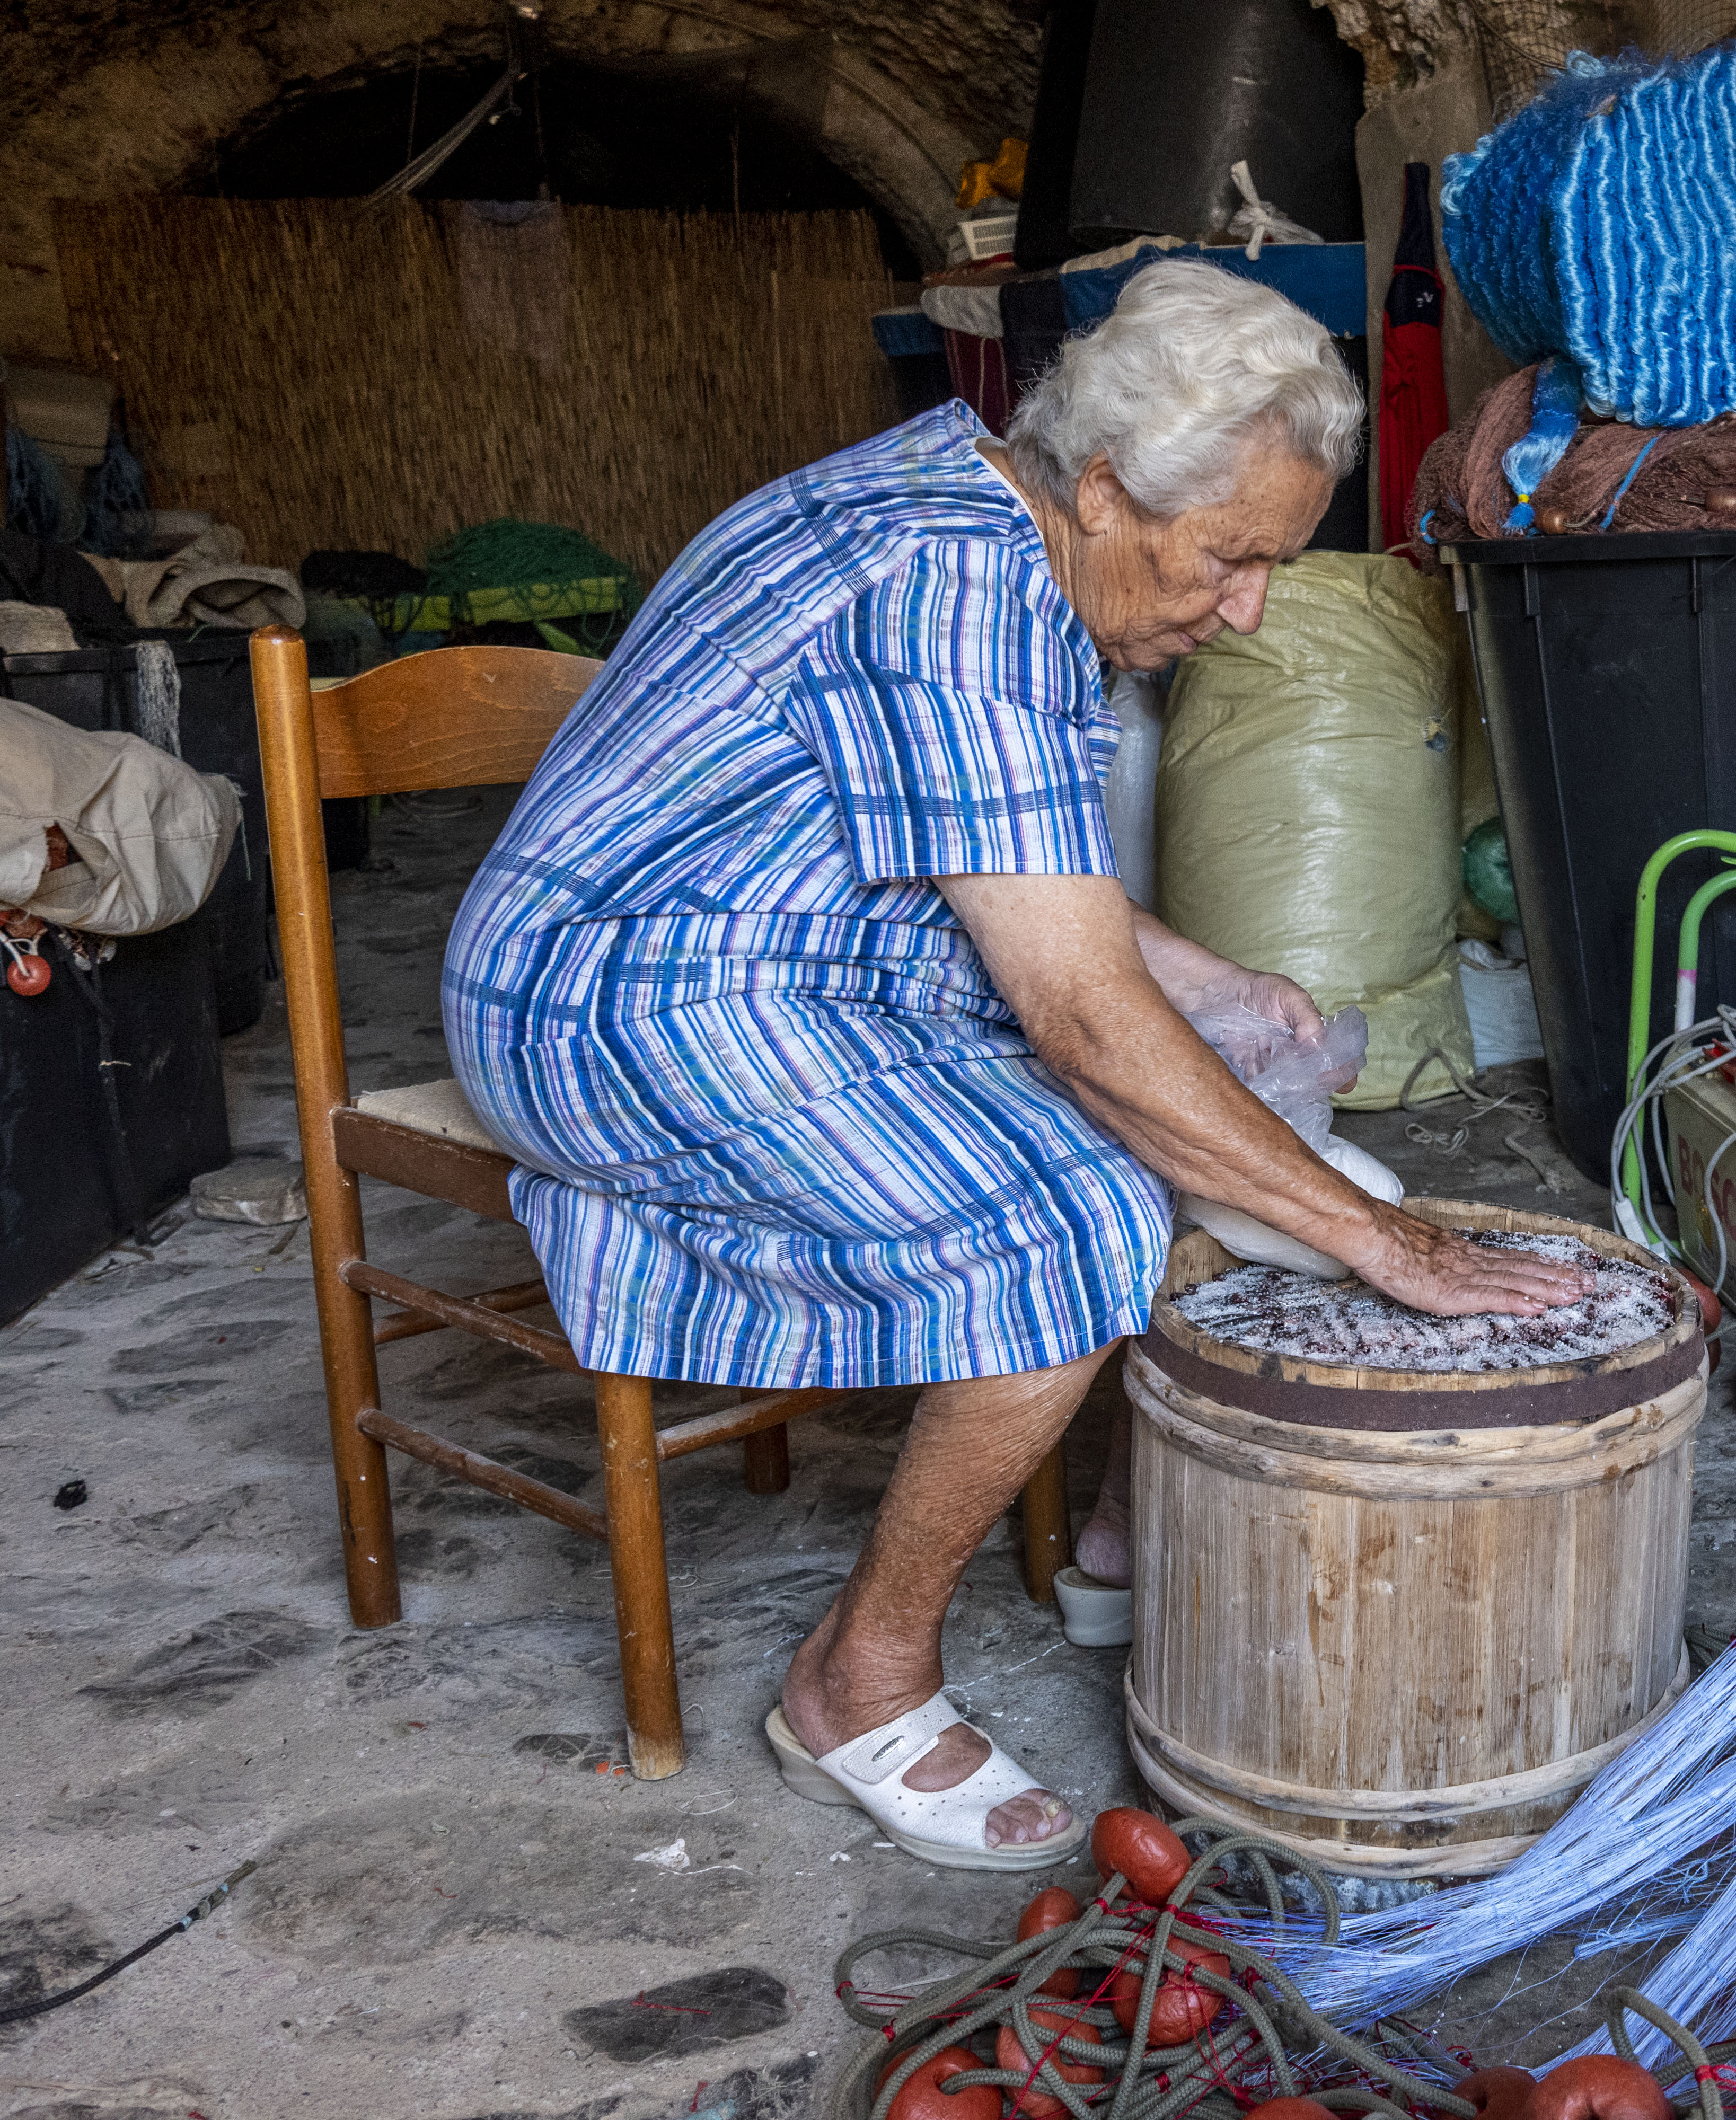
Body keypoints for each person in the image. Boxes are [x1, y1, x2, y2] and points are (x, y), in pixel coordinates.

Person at [443, 262, 1586, 1870]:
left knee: (1218, 1116)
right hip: (619, 991)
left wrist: (1217, 991)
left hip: (815, 952)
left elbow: (1011, 863)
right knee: (1068, 1218)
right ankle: (858, 1679)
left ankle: (1127, 1533)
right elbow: (1081, 1024)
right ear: (1110, 488)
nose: (1248, 607)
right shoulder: (952, 585)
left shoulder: (1005, 518)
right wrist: (1376, 1235)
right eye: (1232, 559)